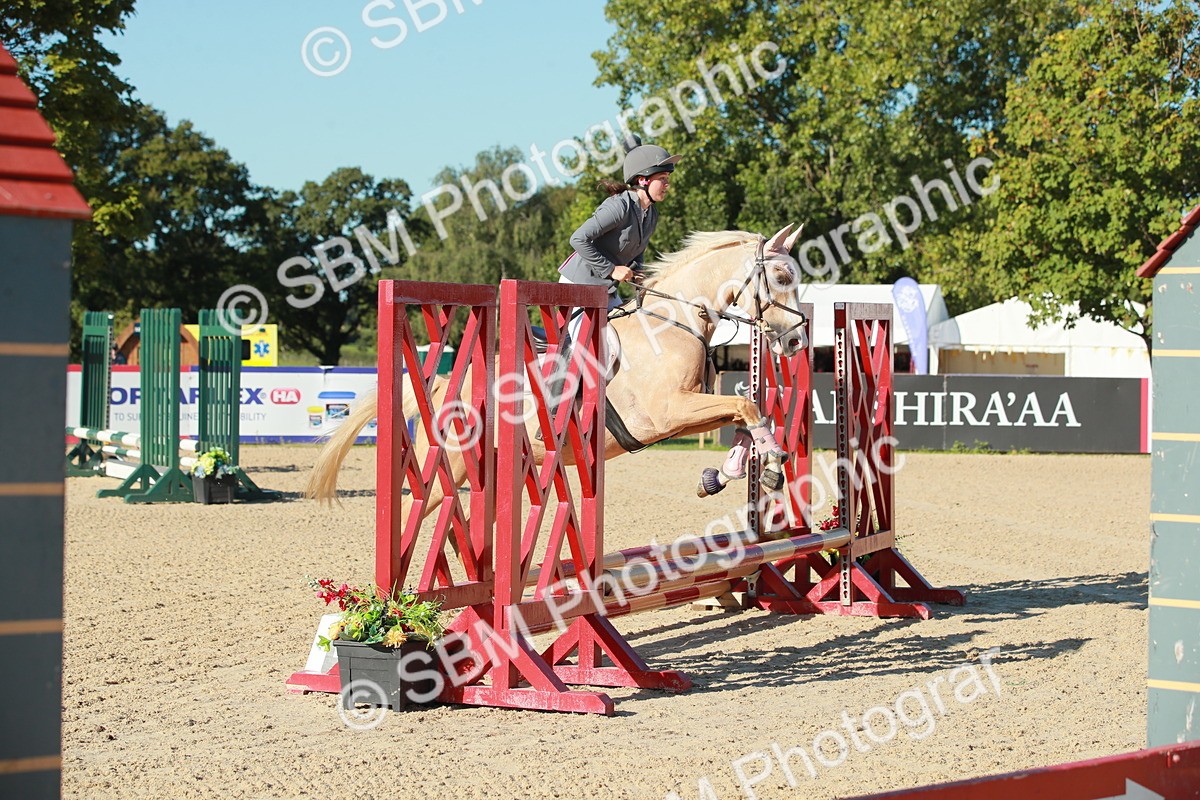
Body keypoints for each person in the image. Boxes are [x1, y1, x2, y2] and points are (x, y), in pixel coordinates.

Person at [558, 140, 682, 339]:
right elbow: (578, 239)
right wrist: (611, 269)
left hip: (606, 291)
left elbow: (637, 252)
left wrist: (639, 273)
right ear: (643, 180)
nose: (667, 185)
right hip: (579, 285)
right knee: (583, 349)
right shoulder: (619, 206)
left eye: (668, 178)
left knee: (630, 334)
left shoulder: (651, 214)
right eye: (663, 178)